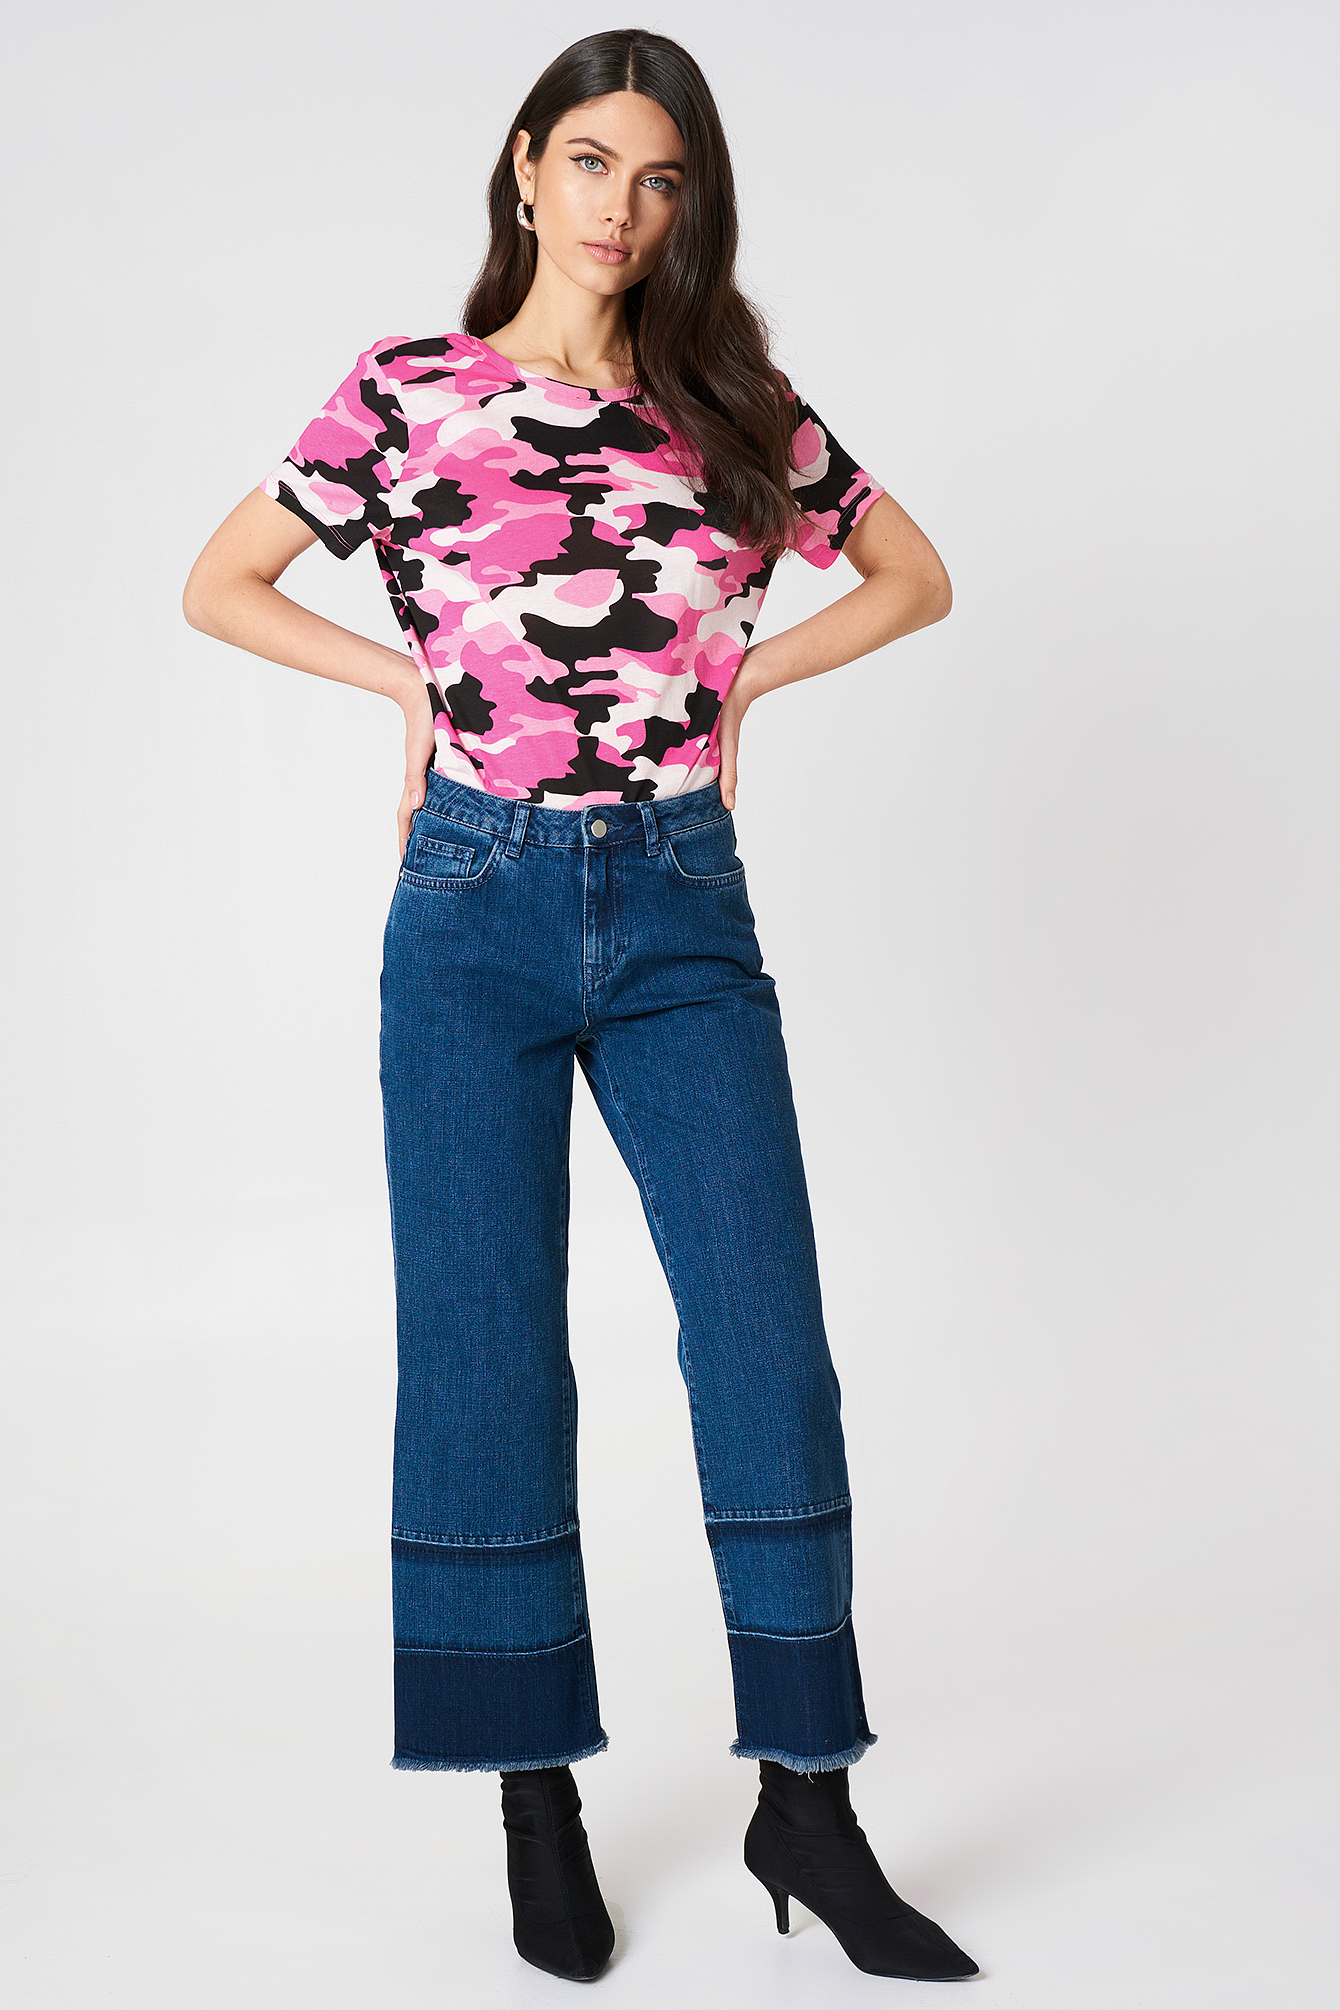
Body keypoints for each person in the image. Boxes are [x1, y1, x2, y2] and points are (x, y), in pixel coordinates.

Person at [183, 25, 976, 1988]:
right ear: (527, 166)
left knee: (767, 1349)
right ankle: (531, 1797)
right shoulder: (409, 392)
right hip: (472, 906)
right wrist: (402, 686)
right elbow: (221, 581)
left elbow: (914, 574)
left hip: (683, 898)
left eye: (665, 177)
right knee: (486, 1358)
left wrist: (747, 681)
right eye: (597, 162)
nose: (627, 207)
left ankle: (808, 1799)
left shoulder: (732, 404)